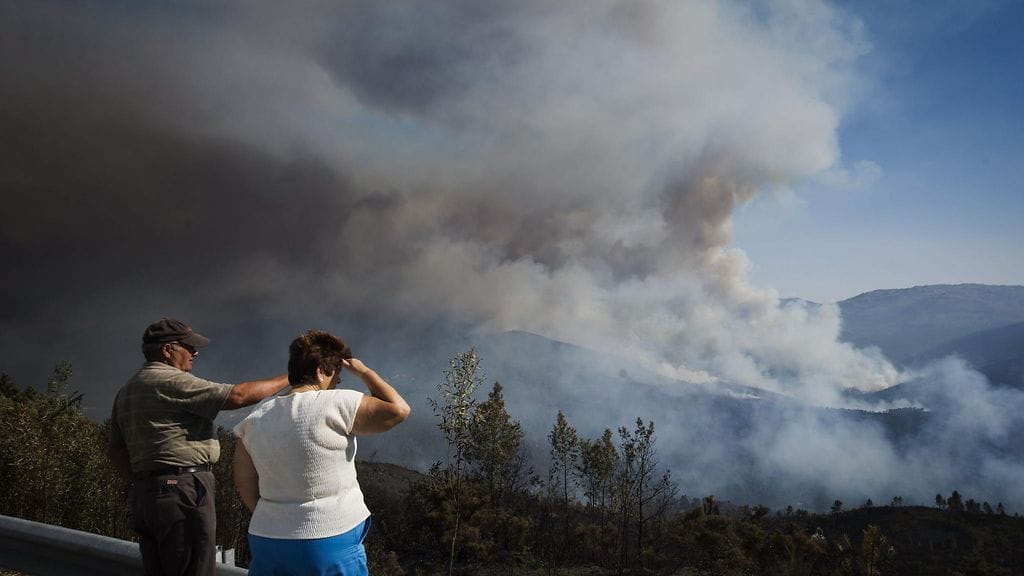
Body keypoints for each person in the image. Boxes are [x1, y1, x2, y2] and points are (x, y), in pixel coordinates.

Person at [106, 317, 290, 576]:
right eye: (187, 346)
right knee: (194, 568)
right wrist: (292, 376)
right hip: (183, 490)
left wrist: (144, 483)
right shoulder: (170, 381)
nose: (195, 352)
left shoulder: (127, 390)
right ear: (167, 350)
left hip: (147, 495)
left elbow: (115, 451)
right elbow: (238, 396)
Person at [232, 330, 410, 576]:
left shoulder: (256, 417)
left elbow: (244, 483)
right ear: (319, 371)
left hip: (266, 539)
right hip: (328, 538)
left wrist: (278, 518)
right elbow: (398, 410)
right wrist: (364, 372)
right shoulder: (335, 403)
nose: (337, 382)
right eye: (336, 375)